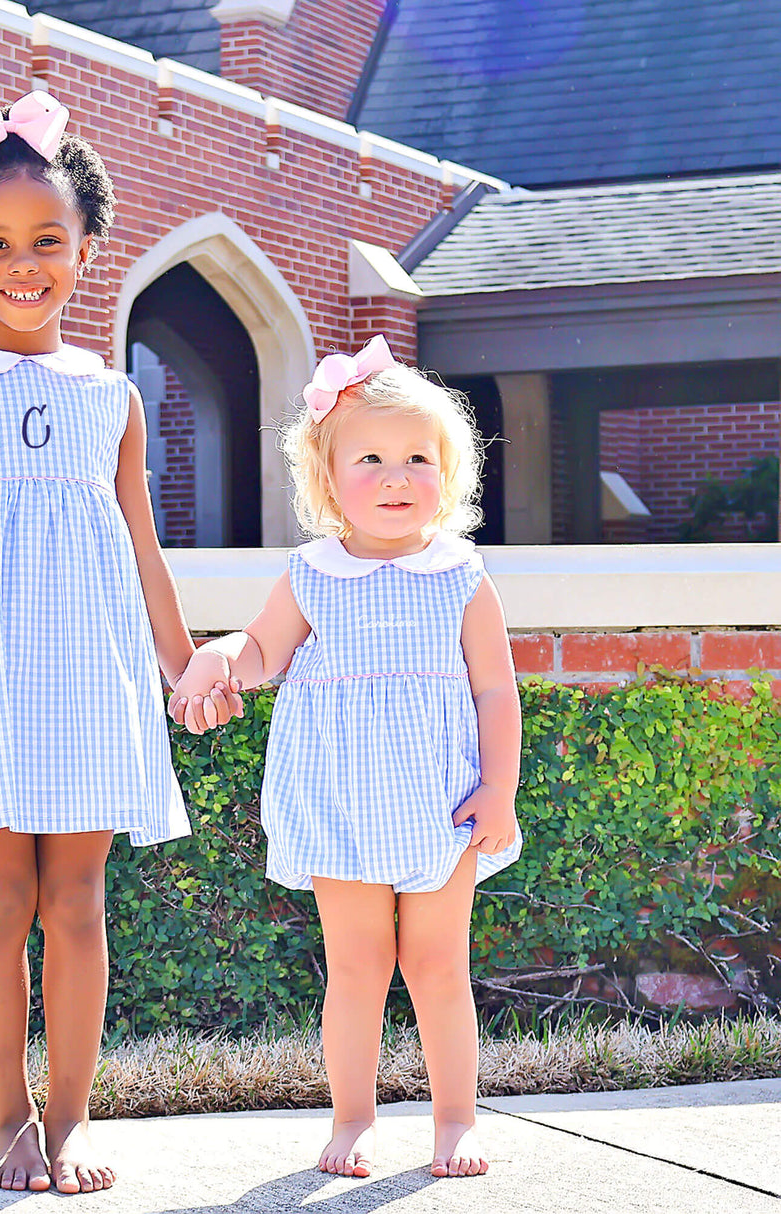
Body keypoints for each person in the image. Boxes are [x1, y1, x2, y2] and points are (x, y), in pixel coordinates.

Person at [0, 90, 240, 1195]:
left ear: (84, 248)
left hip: (87, 672)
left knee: (76, 899)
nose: (22, 265)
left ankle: (69, 1121)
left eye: (46, 242)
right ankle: (4, 1122)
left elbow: (140, 545)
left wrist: (181, 663)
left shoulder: (112, 397)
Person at [169, 336, 522, 1179]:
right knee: (356, 967)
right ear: (328, 480)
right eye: (371, 458)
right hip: (339, 799)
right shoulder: (312, 573)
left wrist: (499, 792)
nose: (397, 476)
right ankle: (353, 1117)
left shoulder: (459, 575)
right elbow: (260, 651)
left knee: (437, 965)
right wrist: (219, 658)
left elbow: (496, 693)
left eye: (417, 458)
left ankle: (456, 1120)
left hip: (442, 800)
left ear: (449, 475)